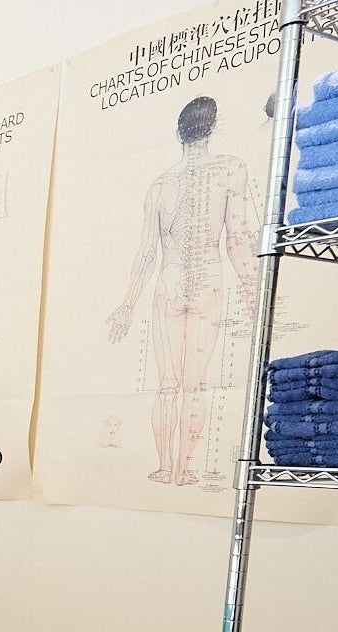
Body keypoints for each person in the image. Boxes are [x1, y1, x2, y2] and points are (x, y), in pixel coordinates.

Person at [106, 95, 259, 486]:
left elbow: (147, 253)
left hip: (170, 282)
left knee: (167, 385)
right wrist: (252, 290)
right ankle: (184, 468)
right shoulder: (231, 169)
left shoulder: (161, 186)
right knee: (195, 385)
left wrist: (127, 304)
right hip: (207, 280)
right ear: (214, 126)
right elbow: (237, 239)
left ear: (179, 133)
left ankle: (164, 467)